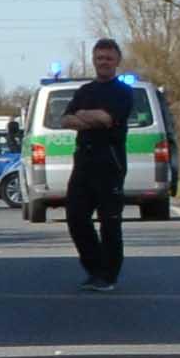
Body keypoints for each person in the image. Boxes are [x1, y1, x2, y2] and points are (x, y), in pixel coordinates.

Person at [46, 38, 146, 286]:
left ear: (117, 62)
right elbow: (66, 120)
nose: (104, 63)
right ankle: (94, 267)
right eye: (100, 58)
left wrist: (85, 116)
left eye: (108, 58)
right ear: (93, 60)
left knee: (110, 222)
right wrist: (89, 118)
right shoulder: (84, 91)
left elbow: (106, 118)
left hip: (109, 163)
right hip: (83, 163)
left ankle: (109, 275)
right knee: (76, 218)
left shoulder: (122, 92)